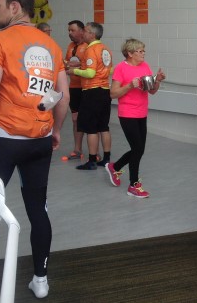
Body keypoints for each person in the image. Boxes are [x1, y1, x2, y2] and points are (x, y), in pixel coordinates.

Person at [0, 0, 69, 298]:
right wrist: (56, 130)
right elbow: (63, 97)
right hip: (39, 141)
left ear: (15, 7)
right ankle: (40, 280)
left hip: (4, 140)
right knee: (38, 209)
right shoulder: (52, 46)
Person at [106, 39, 165, 199]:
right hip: (127, 113)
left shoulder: (145, 66)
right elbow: (113, 93)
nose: (143, 53)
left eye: (143, 50)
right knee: (138, 149)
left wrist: (157, 81)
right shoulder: (121, 68)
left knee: (139, 149)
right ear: (130, 53)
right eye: (140, 51)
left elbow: (152, 91)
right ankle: (133, 185)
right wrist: (129, 86)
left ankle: (114, 167)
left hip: (141, 113)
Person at [71, 22, 113, 170]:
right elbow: (110, 70)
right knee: (104, 127)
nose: (83, 33)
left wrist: (74, 71)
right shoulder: (106, 49)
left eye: (86, 31)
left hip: (91, 91)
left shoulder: (90, 50)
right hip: (105, 90)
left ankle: (92, 161)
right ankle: (106, 159)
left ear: (92, 34)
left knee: (91, 129)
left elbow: (90, 73)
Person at [64, 20, 88, 160]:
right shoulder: (70, 46)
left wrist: (76, 65)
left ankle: (94, 152)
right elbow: (67, 63)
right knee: (75, 119)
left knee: (89, 119)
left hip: (86, 88)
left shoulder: (88, 46)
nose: (70, 33)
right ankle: (77, 150)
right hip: (73, 88)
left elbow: (92, 64)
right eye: (69, 30)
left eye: (72, 30)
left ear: (81, 31)